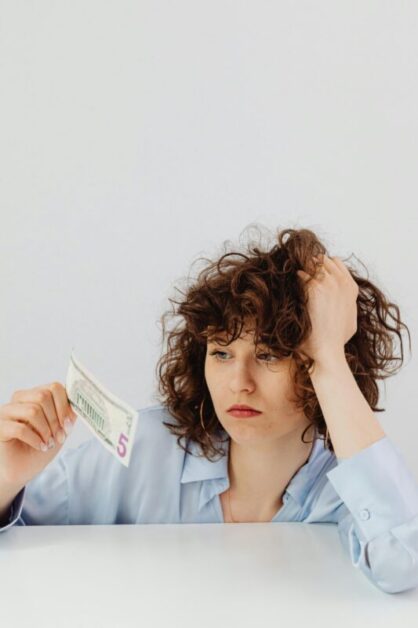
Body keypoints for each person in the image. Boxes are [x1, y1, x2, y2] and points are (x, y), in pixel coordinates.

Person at [1, 225, 417, 595]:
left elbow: (403, 563)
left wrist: (329, 354)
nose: (239, 382)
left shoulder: (345, 486)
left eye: (269, 354)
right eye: (220, 352)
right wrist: (5, 480)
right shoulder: (146, 448)